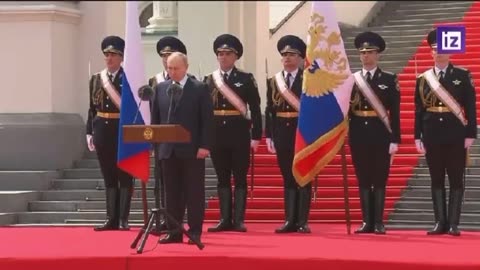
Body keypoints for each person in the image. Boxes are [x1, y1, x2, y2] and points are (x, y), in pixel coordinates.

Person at [414, 29, 477, 236]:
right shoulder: (423, 79)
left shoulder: (462, 75)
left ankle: (453, 224)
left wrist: (470, 134)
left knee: (456, 179)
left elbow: (470, 106)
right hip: (432, 134)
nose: (439, 53)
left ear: (450, 52)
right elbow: (418, 110)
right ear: (430, 53)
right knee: (437, 179)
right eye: (435, 50)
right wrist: (417, 136)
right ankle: (440, 222)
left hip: (456, 134)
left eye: (442, 49)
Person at [151, 52, 214, 245]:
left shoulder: (199, 88)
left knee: (194, 192)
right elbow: (156, 120)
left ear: (185, 67)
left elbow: (207, 120)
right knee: (171, 193)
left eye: (175, 68)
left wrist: (204, 145)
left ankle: (194, 231)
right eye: (169, 68)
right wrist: (155, 145)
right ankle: (174, 231)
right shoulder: (160, 88)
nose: (171, 72)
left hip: (192, 150)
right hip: (168, 151)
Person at [205, 34, 262, 233]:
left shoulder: (245, 79)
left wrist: (256, 135)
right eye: (220, 53)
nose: (223, 57)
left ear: (236, 56)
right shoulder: (209, 80)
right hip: (217, 135)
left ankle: (238, 219)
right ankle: (224, 219)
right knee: (222, 177)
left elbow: (255, 108)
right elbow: (204, 111)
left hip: (238, 134)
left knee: (239, 177)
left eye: (228, 53)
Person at [349, 31, 401, 234]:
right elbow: (345, 109)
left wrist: (395, 138)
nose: (366, 56)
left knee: (379, 178)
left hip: (381, 134)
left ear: (378, 55)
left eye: (370, 52)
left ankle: (378, 221)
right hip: (358, 133)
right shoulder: (351, 80)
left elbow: (395, 111)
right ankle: (366, 221)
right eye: (363, 53)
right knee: (363, 178)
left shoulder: (388, 79)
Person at [86, 35, 134, 231]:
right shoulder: (97, 79)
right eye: (107, 54)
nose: (109, 58)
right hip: (102, 131)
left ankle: (123, 218)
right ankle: (111, 218)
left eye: (114, 55)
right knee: (109, 176)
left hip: (123, 131)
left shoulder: (129, 78)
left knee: (125, 176)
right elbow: (92, 108)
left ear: (121, 57)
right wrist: (89, 132)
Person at [265, 35, 311, 233]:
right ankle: (289, 220)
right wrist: (269, 135)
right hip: (282, 133)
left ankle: (302, 221)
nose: (287, 58)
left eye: (292, 54)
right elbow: (269, 110)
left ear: (300, 57)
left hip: (303, 133)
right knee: (288, 177)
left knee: (304, 176)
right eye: (284, 54)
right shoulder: (274, 81)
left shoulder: (309, 79)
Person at [147, 36, 189, 232]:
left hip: (182, 142)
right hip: (162, 142)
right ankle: (164, 219)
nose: (166, 59)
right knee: (161, 183)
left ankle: (176, 220)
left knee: (179, 185)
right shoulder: (154, 81)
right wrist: (151, 141)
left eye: (169, 56)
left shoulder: (190, 82)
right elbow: (153, 114)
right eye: (163, 56)